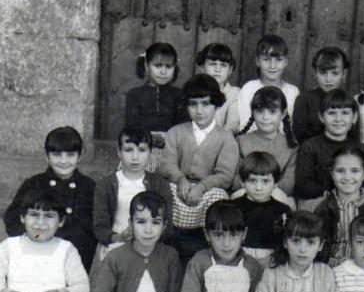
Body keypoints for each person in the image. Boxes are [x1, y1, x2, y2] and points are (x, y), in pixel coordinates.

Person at [158, 74, 237, 260]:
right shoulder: (176, 132)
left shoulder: (226, 138)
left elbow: (225, 175)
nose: (199, 111)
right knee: (163, 190)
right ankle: (166, 242)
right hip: (180, 188)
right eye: (193, 104)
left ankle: (208, 245)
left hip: (206, 192)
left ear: (216, 105)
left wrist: (202, 186)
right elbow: (167, 164)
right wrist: (180, 179)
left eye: (206, 104)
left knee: (219, 196)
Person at [4, 126, 97, 271]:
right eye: (57, 155)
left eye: (71, 155)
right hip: (36, 256)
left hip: (75, 258)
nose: (64, 161)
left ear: (80, 155)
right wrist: (37, 239)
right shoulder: (34, 184)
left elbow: (93, 225)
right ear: (46, 156)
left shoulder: (89, 187)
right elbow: (13, 218)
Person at [92, 126, 173, 263]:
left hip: (150, 244)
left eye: (142, 150)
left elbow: (167, 225)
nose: (135, 157)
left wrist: (145, 238)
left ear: (150, 152)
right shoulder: (105, 185)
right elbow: (100, 226)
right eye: (128, 150)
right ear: (119, 152)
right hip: (116, 243)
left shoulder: (160, 185)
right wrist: (118, 238)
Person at [295, 89, 364, 212]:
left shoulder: (360, 148)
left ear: (354, 117)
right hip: (319, 199)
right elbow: (303, 183)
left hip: (352, 198)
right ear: (321, 117)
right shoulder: (310, 146)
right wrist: (333, 194)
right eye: (331, 113)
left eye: (345, 113)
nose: (338, 119)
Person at [124, 42, 182, 172]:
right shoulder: (135, 94)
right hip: (141, 147)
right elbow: (132, 126)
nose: (163, 71)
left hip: (172, 150)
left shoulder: (179, 95)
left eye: (168, 67)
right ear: (146, 66)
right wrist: (151, 139)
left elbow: (182, 127)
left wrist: (168, 140)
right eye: (158, 66)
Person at [235, 85, 298, 202]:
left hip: (278, 196)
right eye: (259, 111)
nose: (265, 117)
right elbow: (235, 179)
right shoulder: (241, 142)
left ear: (283, 113)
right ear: (253, 113)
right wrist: (254, 190)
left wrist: (267, 192)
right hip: (246, 194)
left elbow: (289, 183)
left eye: (272, 112)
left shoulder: (291, 146)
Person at [232, 152, 292, 268]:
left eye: (265, 181)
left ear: (275, 183)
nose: (258, 188)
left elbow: (286, 241)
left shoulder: (282, 210)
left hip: (272, 260)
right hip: (238, 258)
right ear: (242, 182)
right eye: (252, 181)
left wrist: (273, 258)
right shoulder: (233, 207)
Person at [237, 34, 300, 132]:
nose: (272, 66)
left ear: (285, 62)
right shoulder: (249, 88)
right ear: (257, 61)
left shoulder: (293, 91)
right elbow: (244, 125)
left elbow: (293, 127)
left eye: (278, 60)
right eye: (266, 59)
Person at [293, 46, 350, 144]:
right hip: (311, 151)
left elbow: (353, 136)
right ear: (315, 73)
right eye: (323, 73)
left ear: (344, 74)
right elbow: (300, 133)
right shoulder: (304, 99)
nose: (328, 79)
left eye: (335, 73)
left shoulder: (349, 100)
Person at [195, 43, 241, 133]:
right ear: (202, 67)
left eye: (223, 65)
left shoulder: (235, 94)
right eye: (212, 64)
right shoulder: (194, 91)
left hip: (224, 140)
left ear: (230, 69)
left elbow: (232, 125)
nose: (217, 70)